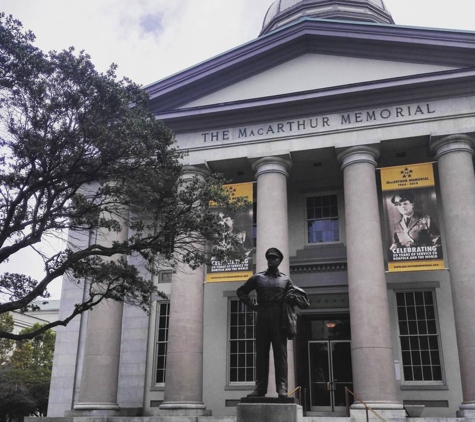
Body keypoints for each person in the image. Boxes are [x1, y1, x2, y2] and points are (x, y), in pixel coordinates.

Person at [236, 247, 308, 398]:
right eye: (269, 258)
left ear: (279, 260)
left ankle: (282, 388)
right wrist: (252, 305)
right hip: (262, 316)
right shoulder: (258, 278)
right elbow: (241, 292)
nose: (271, 260)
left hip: (279, 318)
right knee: (261, 354)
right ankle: (260, 389)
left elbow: (295, 298)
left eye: (274, 258)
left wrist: (293, 300)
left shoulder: (285, 280)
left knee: (280, 354)